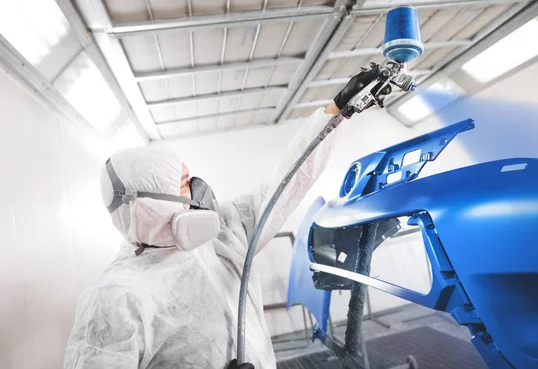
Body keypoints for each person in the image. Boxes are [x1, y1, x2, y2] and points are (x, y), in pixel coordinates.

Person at [64, 66, 388, 369]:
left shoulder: (222, 236)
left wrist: (337, 113)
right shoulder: (115, 299)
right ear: (152, 206)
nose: (198, 189)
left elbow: (285, 185)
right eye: (183, 183)